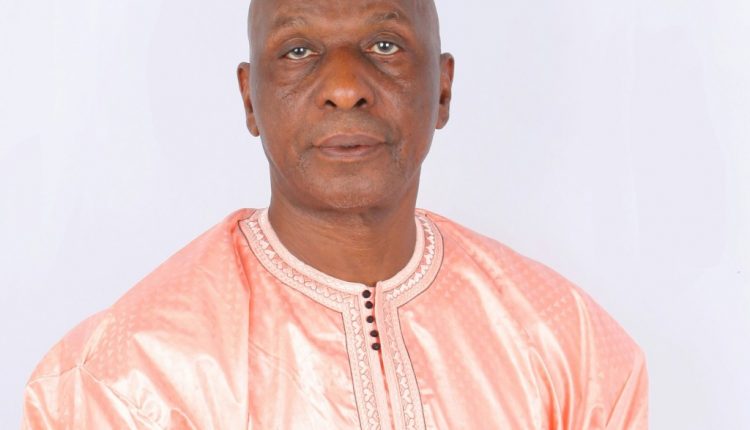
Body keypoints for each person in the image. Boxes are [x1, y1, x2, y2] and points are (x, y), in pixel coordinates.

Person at [21, 0, 648, 428]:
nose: (345, 87)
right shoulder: (126, 379)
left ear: (442, 87)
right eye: (298, 50)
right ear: (250, 99)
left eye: (385, 44)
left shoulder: (571, 346)